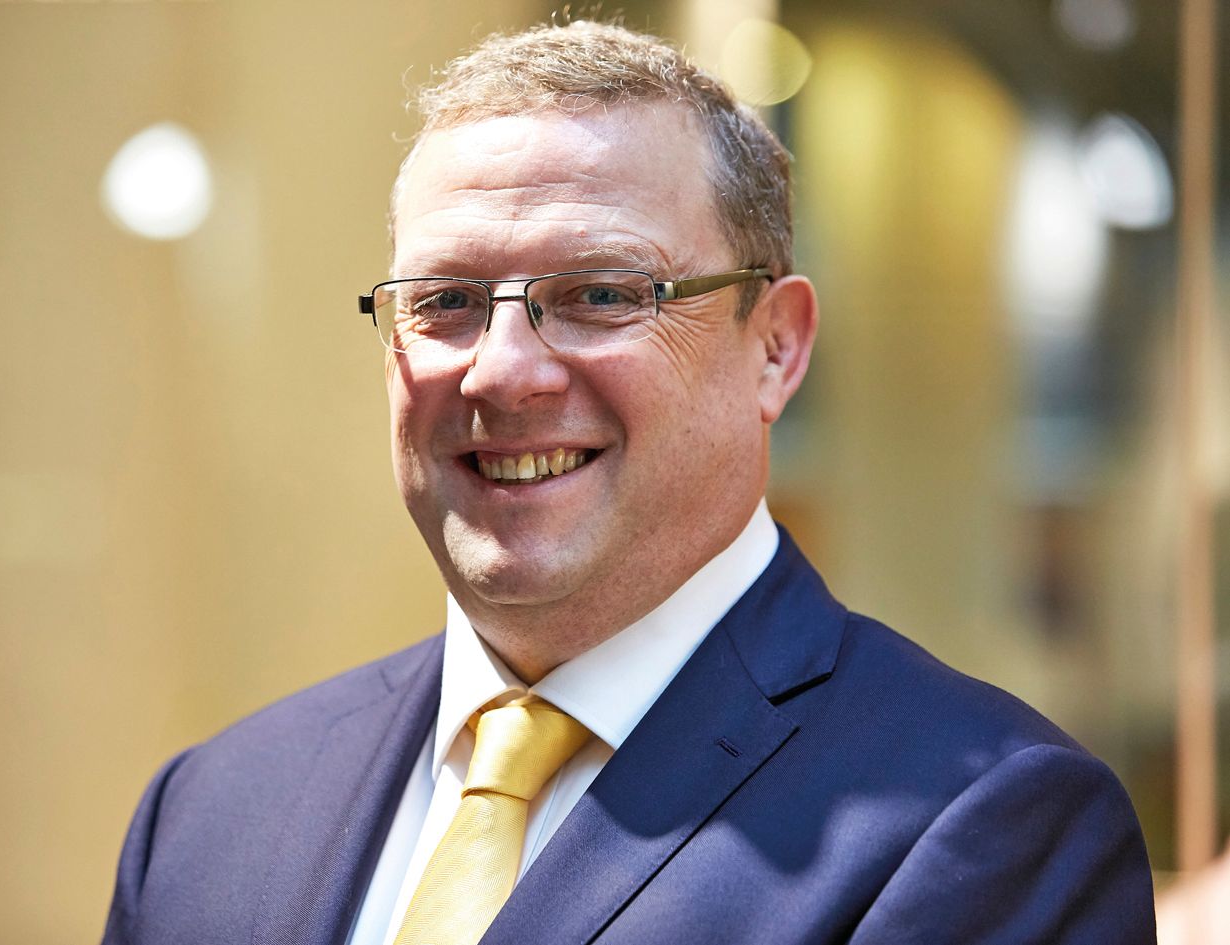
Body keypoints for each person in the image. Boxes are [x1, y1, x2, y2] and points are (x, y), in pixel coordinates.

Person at [101, 21, 1155, 945]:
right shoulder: (212, 811)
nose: (501, 371)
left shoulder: (984, 824)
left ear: (775, 348)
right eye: (445, 302)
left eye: (601, 294)